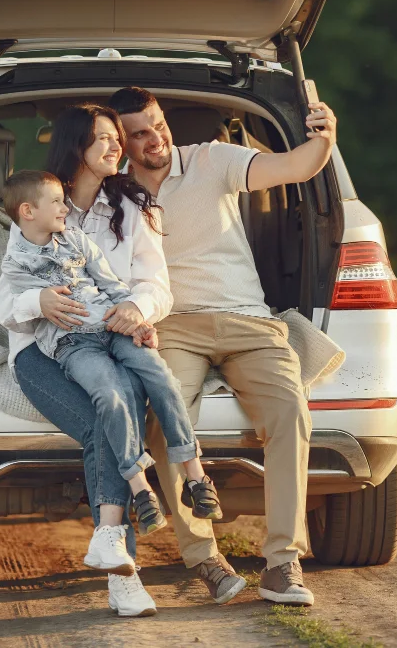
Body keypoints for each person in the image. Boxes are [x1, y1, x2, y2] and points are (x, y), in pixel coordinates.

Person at [0, 104, 246, 618]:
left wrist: (137, 308)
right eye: (105, 139)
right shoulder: (42, 205)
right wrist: (36, 304)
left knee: (124, 400)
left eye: (116, 138)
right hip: (45, 349)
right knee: (106, 418)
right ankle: (123, 573)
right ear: (76, 148)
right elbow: (5, 302)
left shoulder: (135, 207)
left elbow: (157, 285)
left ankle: (116, 555)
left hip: (114, 331)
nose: (117, 147)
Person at [107, 86, 338, 606]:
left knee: (289, 409)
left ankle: (282, 562)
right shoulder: (113, 195)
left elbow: (297, 166)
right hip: (174, 327)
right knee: (167, 421)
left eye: (158, 125)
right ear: (120, 141)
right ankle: (206, 560)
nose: (156, 139)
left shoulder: (212, 158)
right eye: (139, 133)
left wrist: (325, 138)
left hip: (248, 321)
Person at [0, 169, 223, 543]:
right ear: (27, 211)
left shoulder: (76, 239)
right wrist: (38, 301)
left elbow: (112, 285)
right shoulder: (15, 264)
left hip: (113, 328)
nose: (63, 208)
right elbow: (10, 309)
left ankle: (197, 477)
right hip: (73, 344)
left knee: (162, 378)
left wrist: (138, 320)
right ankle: (141, 488)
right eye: (55, 201)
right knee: (110, 395)